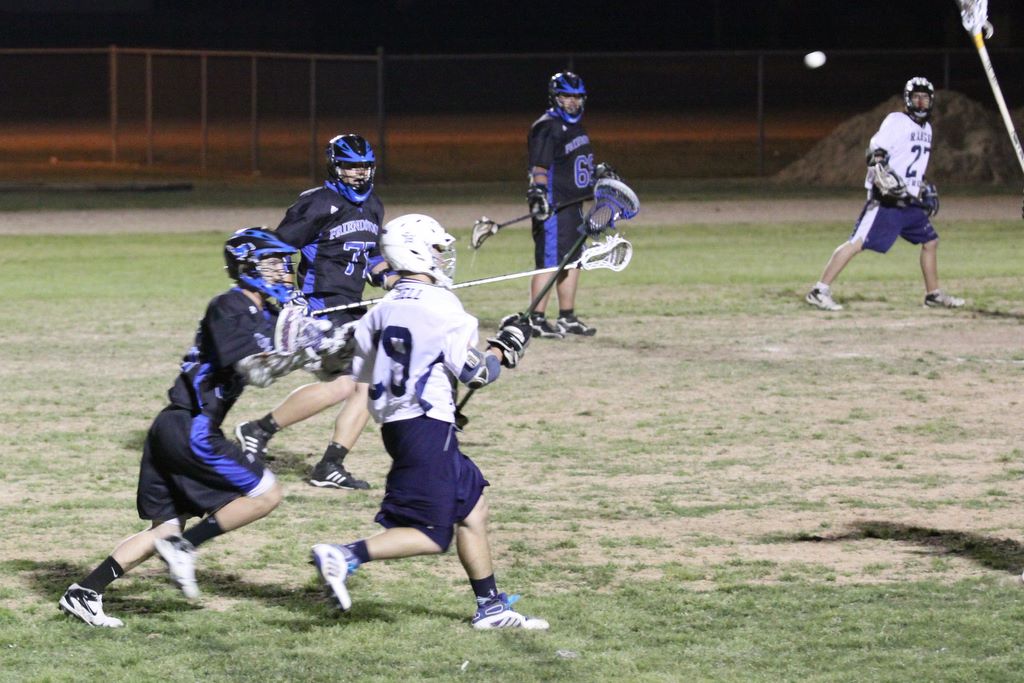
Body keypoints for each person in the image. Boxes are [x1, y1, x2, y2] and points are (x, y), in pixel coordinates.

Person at [59, 228, 344, 627]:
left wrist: (336, 346)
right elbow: (257, 369)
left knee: (165, 530)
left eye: (284, 264)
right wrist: (301, 352)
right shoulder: (228, 306)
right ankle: (187, 546)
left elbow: (322, 368)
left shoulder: (264, 314)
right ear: (247, 266)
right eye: (273, 264)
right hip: (192, 427)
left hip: (172, 427)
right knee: (266, 494)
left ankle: (85, 592)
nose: (283, 272)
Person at [309, 214, 549, 630]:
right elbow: (477, 373)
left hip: (400, 427)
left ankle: (490, 607)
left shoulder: (380, 309)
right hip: (425, 427)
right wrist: (505, 346)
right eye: (437, 249)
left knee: (473, 506)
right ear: (416, 251)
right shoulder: (442, 305)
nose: (442, 257)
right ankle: (345, 555)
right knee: (431, 534)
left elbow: (366, 377)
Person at [235, 133, 395, 490]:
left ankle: (325, 462)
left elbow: (370, 255)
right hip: (319, 308)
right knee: (348, 385)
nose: (359, 173)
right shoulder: (318, 203)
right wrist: (287, 296)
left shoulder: (373, 205)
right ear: (335, 167)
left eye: (365, 166)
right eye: (351, 167)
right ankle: (260, 432)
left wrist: (391, 278)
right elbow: (274, 250)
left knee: (365, 385)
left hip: (352, 309)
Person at [805, 77, 965, 312]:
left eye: (925, 98)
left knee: (930, 241)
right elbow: (875, 150)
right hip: (887, 199)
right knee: (857, 242)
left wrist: (921, 185)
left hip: (909, 200)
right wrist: (881, 170)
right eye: (916, 98)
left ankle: (933, 295)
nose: (921, 103)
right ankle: (819, 291)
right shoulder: (896, 121)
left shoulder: (927, 129)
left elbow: (912, 163)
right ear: (908, 100)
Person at [525, 71, 619, 338]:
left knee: (574, 261)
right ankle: (535, 319)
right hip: (554, 207)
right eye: (566, 96)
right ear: (555, 97)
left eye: (577, 97)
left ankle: (567, 317)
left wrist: (597, 172)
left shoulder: (577, 126)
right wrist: (538, 193)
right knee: (550, 262)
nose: (572, 102)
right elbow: (539, 167)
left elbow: (574, 163)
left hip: (575, 205)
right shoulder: (547, 126)